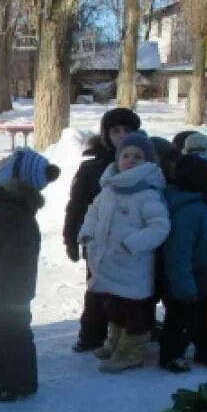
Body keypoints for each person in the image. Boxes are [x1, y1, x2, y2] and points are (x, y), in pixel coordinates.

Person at [0, 148, 60, 401]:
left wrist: (3, 286)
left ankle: (22, 381)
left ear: (16, 179)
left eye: (5, 164)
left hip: (9, 289)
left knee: (14, 334)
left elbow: (16, 260)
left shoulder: (17, 215)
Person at [78, 131, 170, 373]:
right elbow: (92, 213)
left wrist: (133, 243)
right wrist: (87, 233)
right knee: (113, 307)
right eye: (125, 155)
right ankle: (116, 342)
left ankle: (132, 352)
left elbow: (160, 227)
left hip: (133, 266)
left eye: (137, 156)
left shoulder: (148, 193)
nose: (130, 160)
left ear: (148, 161)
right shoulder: (107, 190)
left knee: (134, 311)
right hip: (107, 262)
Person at [63, 107, 141, 352]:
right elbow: (76, 206)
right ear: (106, 134)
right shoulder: (92, 168)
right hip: (98, 238)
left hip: (132, 241)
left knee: (131, 290)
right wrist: (71, 238)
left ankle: (131, 333)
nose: (121, 136)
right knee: (97, 287)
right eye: (115, 131)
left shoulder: (143, 162)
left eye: (127, 131)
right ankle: (92, 334)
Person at [159, 155, 207, 372]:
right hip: (189, 277)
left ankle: (206, 349)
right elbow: (177, 254)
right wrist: (183, 287)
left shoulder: (202, 205)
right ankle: (172, 354)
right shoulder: (188, 212)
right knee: (180, 319)